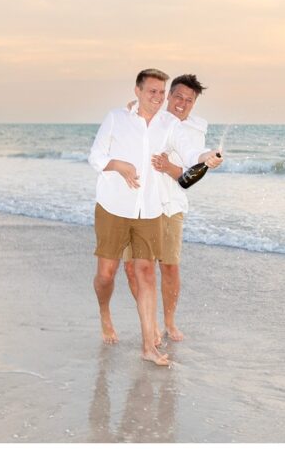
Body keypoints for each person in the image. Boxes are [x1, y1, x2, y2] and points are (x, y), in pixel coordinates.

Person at [88, 69, 222, 366]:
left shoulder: (169, 124)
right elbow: (95, 156)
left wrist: (206, 157)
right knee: (106, 275)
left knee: (146, 272)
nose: (158, 98)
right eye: (153, 92)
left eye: (161, 93)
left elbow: (189, 154)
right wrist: (117, 165)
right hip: (114, 205)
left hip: (151, 209)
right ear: (137, 91)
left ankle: (149, 345)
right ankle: (105, 313)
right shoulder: (117, 117)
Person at [123, 74, 208, 343]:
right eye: (178, 96)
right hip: (136, 203)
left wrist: (168, 167)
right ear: (168, 96)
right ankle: (150, 322)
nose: (182, 103)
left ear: (193, 104)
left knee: (169, 267)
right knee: (132, 268)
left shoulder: (195, 131)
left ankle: (169, 322)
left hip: (171, 206)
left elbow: (193, 176)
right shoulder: (147, 116)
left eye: (189, 100)